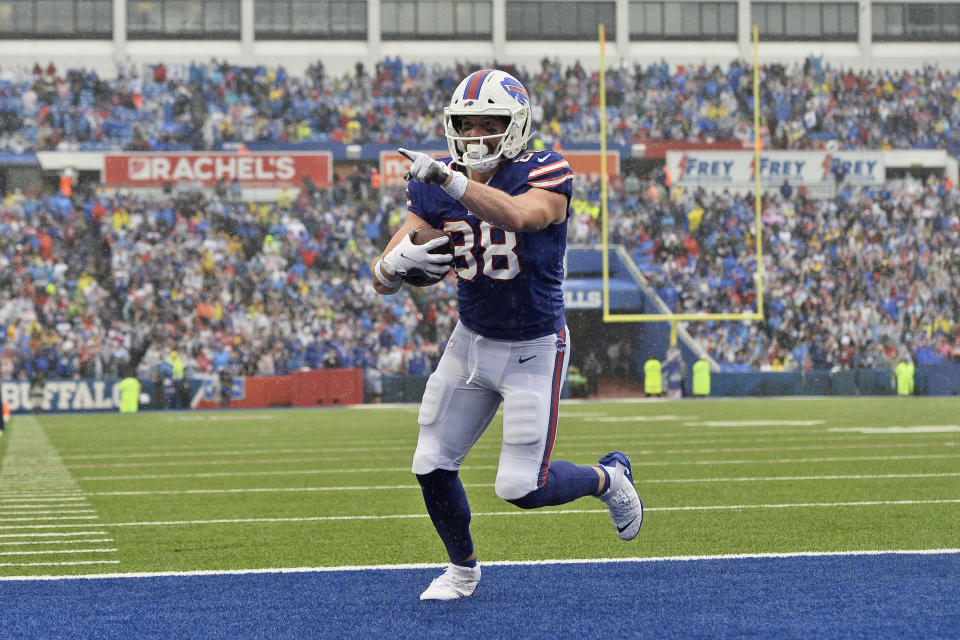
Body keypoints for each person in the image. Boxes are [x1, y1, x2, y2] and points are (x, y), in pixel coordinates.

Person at [369, 69, 643, 601]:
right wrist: (393, 266)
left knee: (521, 487)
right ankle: (463, 569)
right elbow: (384, 274)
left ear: (516, 125)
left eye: (488, 124)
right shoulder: (437, 184)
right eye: (465, 126)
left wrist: (451, 182)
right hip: (470, 341)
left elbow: (521, 216)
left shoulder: (545, 168)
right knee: (429, 463)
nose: (475, 136)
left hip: (534, 347)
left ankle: (609, 478)